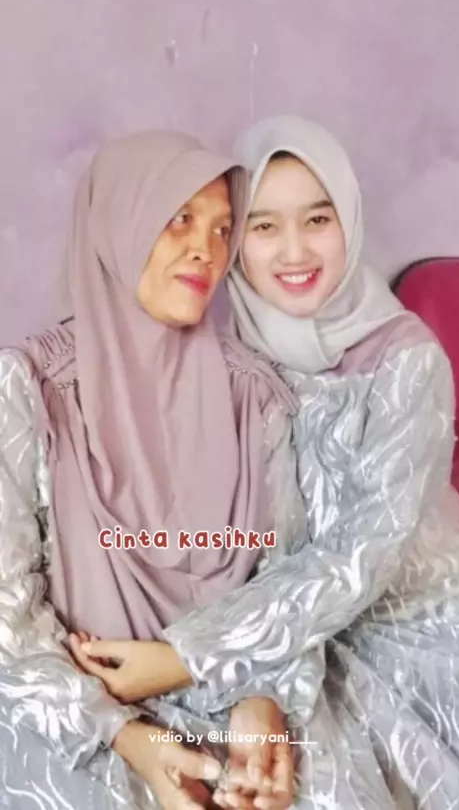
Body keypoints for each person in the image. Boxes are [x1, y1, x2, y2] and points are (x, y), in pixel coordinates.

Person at [0, 131, 304, 810]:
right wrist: (126, 735)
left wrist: (261, 700)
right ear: (119, 223)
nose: (207, 249)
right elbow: (5, 613)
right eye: (180, 219)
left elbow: (289, 577)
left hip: (239, 702)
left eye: (222, 227)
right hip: (79, 718)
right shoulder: (28, 392)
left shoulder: (256, 395)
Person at [203, 114, 459, 809]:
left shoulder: (406, 358)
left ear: (347, 221)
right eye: (264, 226)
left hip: (418, 608)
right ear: (235, 241)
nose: (295, 250)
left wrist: (199, 652)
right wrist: (252, 676)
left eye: (317, 219)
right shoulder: (221, 368)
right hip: (286, 633)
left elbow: (369, 552)